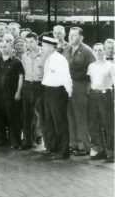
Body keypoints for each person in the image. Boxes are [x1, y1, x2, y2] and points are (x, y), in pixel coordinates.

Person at [62, 27, 95, 156]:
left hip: (81, 85)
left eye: (74, 35)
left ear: (81, 37)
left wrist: (82, 78)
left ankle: (84, 146)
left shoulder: (87, 51)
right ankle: (73, 144)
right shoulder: (66, 49)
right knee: (70, 115)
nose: (71, 37)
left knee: (80, 116)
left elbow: (93, 69)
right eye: (70, 34)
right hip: (67, 85)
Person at [40, 33, 73, 160]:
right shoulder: (48, 58)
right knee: (50, 121)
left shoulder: (60, 59)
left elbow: (66, 77)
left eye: (43, 45)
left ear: (50, 46)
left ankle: (64, 151)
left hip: (58, 92)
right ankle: (53, 148)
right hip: (48, 91)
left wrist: (68, 93)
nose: (42, 47)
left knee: (60, 122)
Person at [0, 40, 24, 148]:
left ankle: (15, 141)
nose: (3, 48)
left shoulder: (16, 61)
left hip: (12, 94)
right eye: (1, 46)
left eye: (5, 46)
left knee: (13, 117)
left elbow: (21, 77)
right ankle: (1, 139)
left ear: (10, 47)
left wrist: (18, 91)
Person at [87, 43, 115, 162]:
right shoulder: (91, 66)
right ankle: (100, 150)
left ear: (104, 51)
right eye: (96, 50)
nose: (98, 52)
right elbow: (90, 82)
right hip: (93, 95)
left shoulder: (110, 66)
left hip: (105, 95)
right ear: (93, 52)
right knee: (94, 124)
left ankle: (111, 152)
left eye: (100, 50)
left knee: (108, 125)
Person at [19, 33, 44, 150]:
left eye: (32, 42)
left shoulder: (44, 54)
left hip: (40, 86)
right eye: (27, 42)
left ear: (37, 41)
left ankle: (37, 136)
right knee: (27, 114)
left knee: (38, 114)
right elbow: (24, 72)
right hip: (28, 85)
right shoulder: (25, 55)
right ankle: (27, 140)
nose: (29, 44)